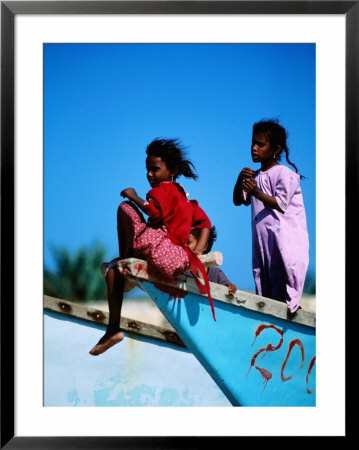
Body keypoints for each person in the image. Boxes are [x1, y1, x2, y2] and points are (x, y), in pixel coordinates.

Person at [90, 138, 214, 356]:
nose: (149, 175)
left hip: (160, 248)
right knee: (114, 271)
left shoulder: (161, 191)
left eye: (155, 169)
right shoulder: (186, 200)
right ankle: (113, 329)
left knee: (125, 208)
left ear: (172, 170)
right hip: (178, 256)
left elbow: (153, 212)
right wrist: (196, 251)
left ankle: (114, 324)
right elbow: (205, 223)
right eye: (148, 170)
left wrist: (133, 196)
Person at [233, 119, 309, 313]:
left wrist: (256, 192)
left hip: (283, 238)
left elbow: (281, 204)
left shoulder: (285, 174)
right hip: (262, 240)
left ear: (275, 149)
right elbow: (238, 201)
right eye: (253, 143)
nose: (254, 148)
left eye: (260, 144)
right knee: (264, 273)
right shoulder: (254, 176)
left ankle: (291, 308)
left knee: (286, 270)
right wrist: (239, 180)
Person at [186, 227, 238, 296]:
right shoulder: (182, 269)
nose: (184, 246)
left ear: (204, 246)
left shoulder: (216, 274)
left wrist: (230, 287)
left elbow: (227, 286)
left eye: (188, 243)